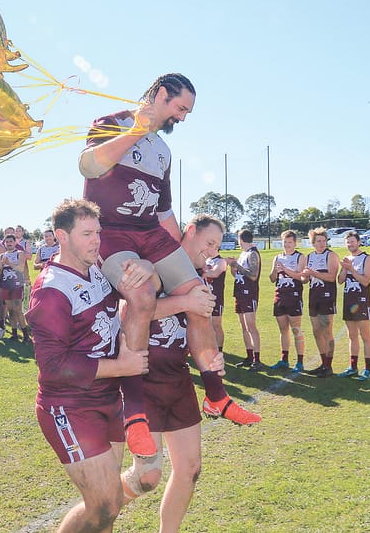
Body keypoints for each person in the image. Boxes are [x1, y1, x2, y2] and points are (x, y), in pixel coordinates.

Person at [80, 73, 257, 457]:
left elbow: (163, 213)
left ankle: (215, 395)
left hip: (150, 233)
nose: (183, 117)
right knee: (141, 293)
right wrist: (137, 129)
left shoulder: (163, 151)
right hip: (112, 232)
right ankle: (135, 411)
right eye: (180, 108)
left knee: (199, 294)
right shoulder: (111, 122)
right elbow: (89, 167)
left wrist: (187, 261)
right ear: (161, 95)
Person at [27, 198, 152, 533]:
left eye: (98, 231)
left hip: (108, 399)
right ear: (61, 236)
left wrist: (148, 268)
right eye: (86, 234)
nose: (96, 240)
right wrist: (122, 366)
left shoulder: (97, 267)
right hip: (70, 406)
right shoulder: (51, 290)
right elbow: (53, 365)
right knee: (105, 504)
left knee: (107, 510)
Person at [120, 215, 250, 533]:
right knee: (145, 476)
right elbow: (128, 314)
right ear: (189, 232)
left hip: (178, 379)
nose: (211, 251)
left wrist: (210, 359)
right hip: (143, 379)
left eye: (218, 247)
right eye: (208, 242)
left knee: (190, 468)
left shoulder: (198, 278)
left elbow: (195, 330)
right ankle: (97, 510)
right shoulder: (154, 265)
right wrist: (183, 302)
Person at [302, 227, 339, 377]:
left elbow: (331, 277)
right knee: (316, 331)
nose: (322, 243)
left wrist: (313, 273)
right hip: (314, 296)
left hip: (327, 296)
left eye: (324, 240)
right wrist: (304, 276)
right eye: (319, 241)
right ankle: (323, 363)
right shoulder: (309, 257)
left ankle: (328, 365)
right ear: (313, 242)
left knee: (327, 330)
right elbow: (305, 279)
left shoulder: (331, 255)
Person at [337, 230, 370, 380]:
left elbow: (365, 281)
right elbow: (340, 280)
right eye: (348, 242)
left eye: (352, 241)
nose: (350, 244)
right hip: (349, 300)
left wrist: (352, 269)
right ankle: (353, 367)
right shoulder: (347, 259)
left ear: (359, 242)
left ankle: (368, 370)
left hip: (362, 301)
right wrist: (345, 268)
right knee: (351, 335)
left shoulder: (367, 258)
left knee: (365, 335)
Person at [268, 229, 306, 372]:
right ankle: (284, 359)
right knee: (283, 329)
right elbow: (272, 279)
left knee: (296, 329)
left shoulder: (300, 257)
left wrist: (285, 269)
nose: (287, 245)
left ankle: (300, 362)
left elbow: (302, 278)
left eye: (290, 242)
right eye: (285, 242)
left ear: (295, 243)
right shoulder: (277, 257)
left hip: (294, 296)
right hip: (279, 296)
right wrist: (276, 272)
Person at [227, 229, 263, 370]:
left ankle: (257, 359)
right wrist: (233, 267)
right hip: (240, 293)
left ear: (240, 239)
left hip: (249, 294)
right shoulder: (243, 253)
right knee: (244, 326)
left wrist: (237, 266)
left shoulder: (253, 253)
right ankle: (249, 356)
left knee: (251, 326)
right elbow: (237, 275)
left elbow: (253, 275)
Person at [0, 233, 30, 342]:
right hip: (6, 285)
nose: (9, 244)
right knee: (10, 311)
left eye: (11, 241)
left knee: (18, 310)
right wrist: (0, 267)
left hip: (17, 285)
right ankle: (14, 334)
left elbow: (20, 268)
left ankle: (25, 335)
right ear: (4, 243)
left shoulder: (19, 253)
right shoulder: (2, 256)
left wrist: (9, 263)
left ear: (15, 242)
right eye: (7, 242)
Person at [202, 252, 227, 352]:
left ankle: (219, 350)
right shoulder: (207, 260)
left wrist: (199, 271)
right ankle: (209, 348)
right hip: (205, 297)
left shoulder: (221, 261)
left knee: (216, 324)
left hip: (216, 298)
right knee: (205, 324)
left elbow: (215, 273)